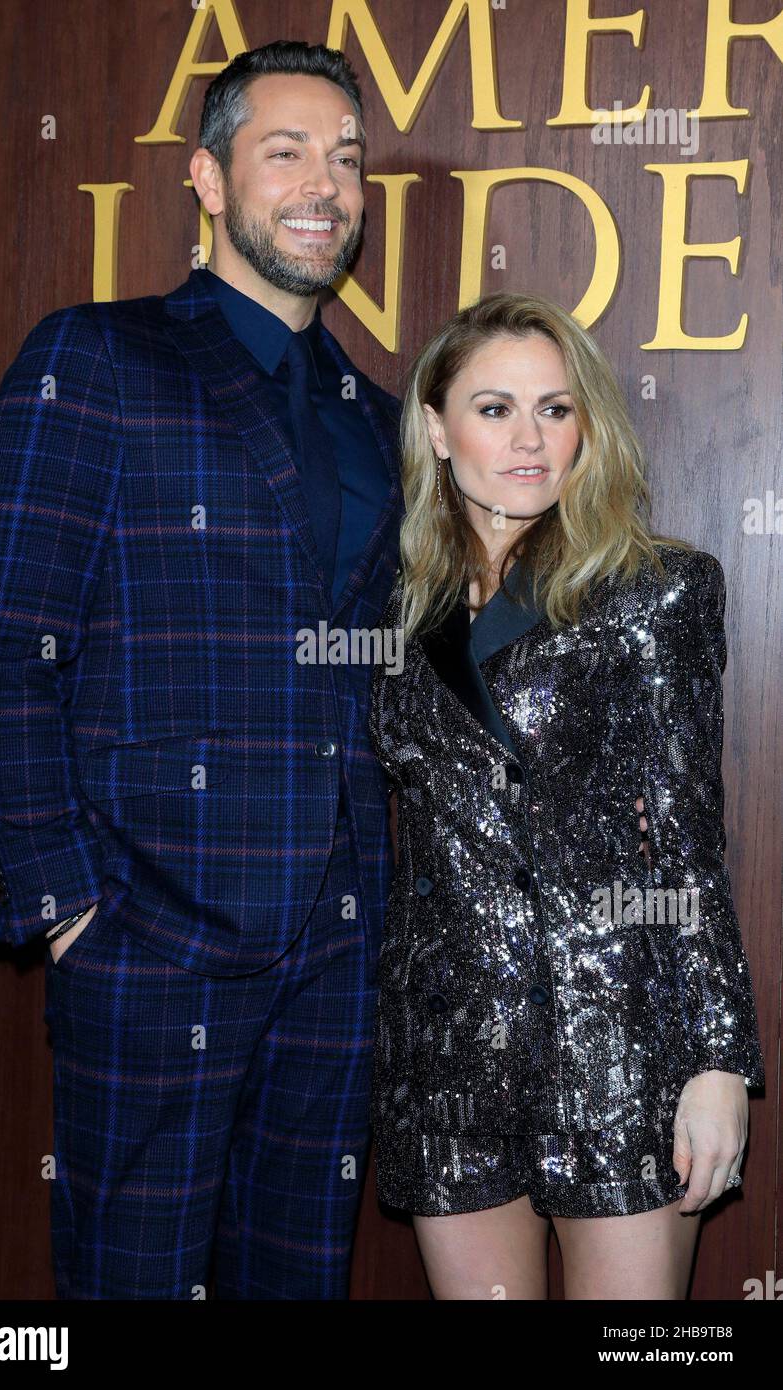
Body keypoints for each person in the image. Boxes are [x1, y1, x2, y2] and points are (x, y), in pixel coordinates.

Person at [0, 41, 404, 1300]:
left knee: (296, 1278)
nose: (325, 184)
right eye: (286, 151)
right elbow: (2, 649)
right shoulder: (94, 359)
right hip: (146, 938)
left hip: (335, 946)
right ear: (206, 178)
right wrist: (69, 907)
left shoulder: (378, 416)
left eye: (347, 158)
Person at [366, 292, 765, 1300]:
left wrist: (717, 1062)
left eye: (555, 407)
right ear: (434, 426)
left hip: (611, 1036)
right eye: (494, 408)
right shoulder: (389, 606)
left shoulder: (651, 588)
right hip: (448, 1048)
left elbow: (684, 844)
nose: (529, 438)